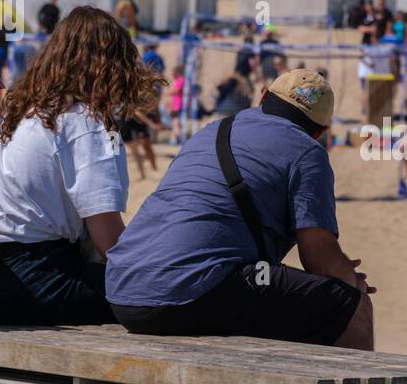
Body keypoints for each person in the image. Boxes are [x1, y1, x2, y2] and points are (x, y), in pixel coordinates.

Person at [106, 69, 375, 350]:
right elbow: (318, 257)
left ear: (264, 96)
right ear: (320, 131)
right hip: (188, 290)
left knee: (275, 291)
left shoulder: (211, 131)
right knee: (351, 307)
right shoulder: (308, 152)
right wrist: (351, 281)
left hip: (123, 288)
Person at [0, 6, 161, 325]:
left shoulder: (28, 113)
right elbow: (109, 241)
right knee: (163, 294)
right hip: (35, 282)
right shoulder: (84, 123)